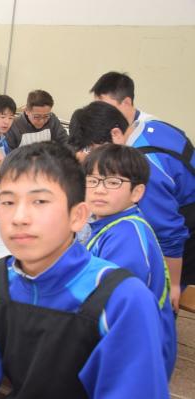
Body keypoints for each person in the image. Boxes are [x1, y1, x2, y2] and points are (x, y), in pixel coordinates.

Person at [0, 142, 169, 398]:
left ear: (78, 216)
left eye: (39, 201)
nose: (19, 217)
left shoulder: (122, 300)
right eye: (8, 201)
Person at [69, 101, 195, 311]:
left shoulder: (142, 172)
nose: (88, 156)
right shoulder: (143, 129)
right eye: (92, 181)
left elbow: (170, 234)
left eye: (91, 148)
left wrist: (173, 284)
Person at [83, 143, 176, 379]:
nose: (99, 190)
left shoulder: (128, 237)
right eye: (92, 180)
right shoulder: (111, 222)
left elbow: (105, 309)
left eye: (113, 182)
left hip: (135, 361)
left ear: (137, 192)